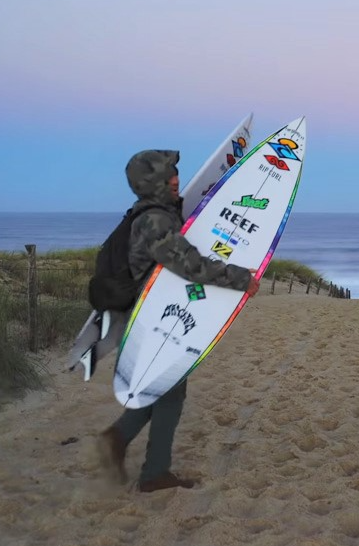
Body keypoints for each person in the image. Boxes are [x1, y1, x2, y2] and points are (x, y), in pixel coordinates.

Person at [97, 149, 260, 493]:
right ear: (153, 181)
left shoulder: (157, 213)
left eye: (174, 173)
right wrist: (241, 279)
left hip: (156, 314)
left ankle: (121, 443)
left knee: (165, 387)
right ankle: (150, 470)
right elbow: (189, 265)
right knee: (169, 390)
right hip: (151, 318)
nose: (175, 179)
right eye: (168, 174)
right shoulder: (155, 220)